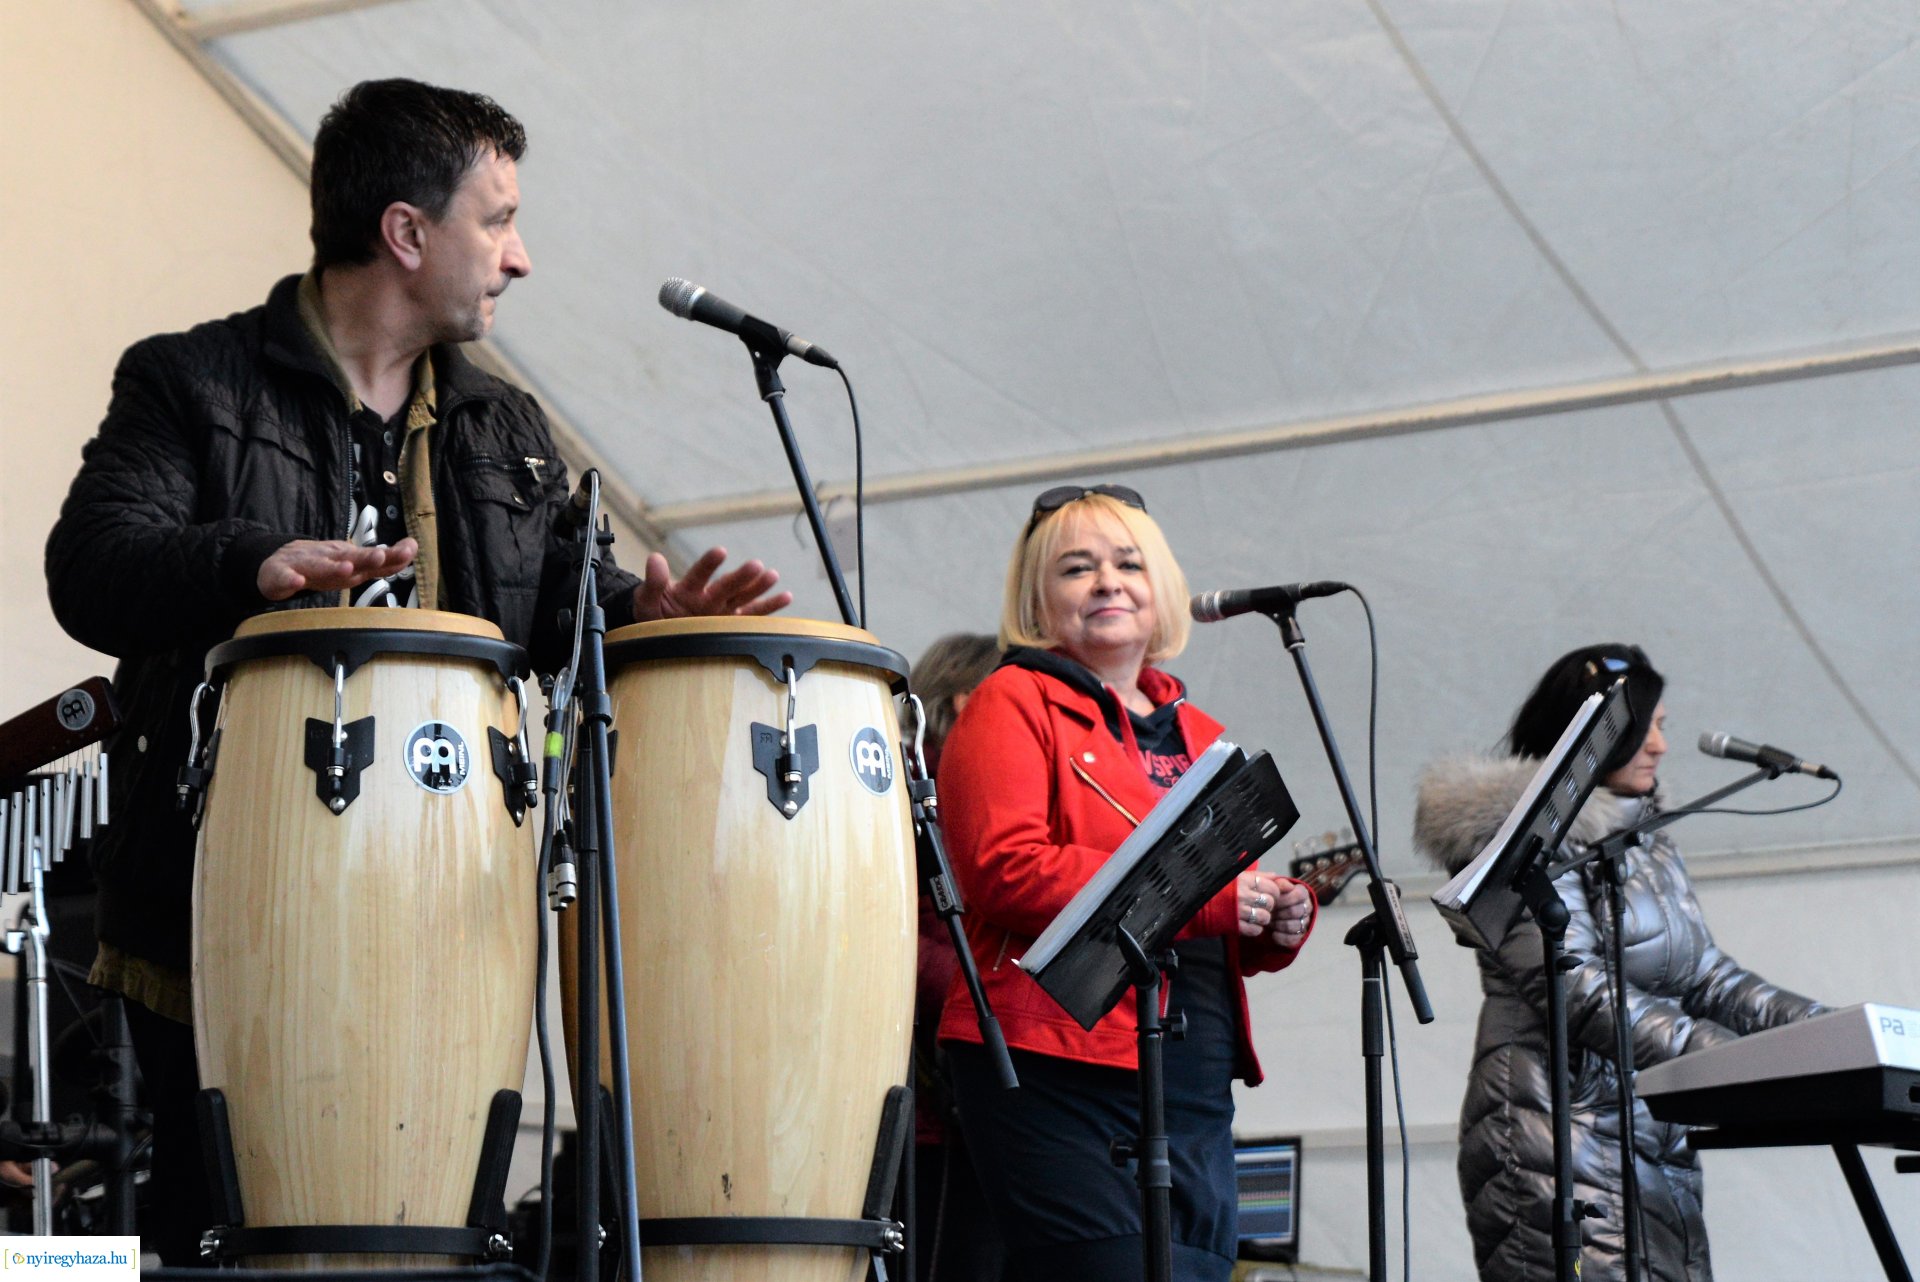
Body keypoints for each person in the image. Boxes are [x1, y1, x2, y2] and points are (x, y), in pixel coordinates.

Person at [42, 78, 788, 1262]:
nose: (521, 256)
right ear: (406, 231)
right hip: (223, 910)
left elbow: (558, 608)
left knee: (437, 1234)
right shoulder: (191, 383)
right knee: (224, 1232)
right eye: (496, 220)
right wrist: (257, 561)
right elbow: (90, 565)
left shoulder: (506, 426)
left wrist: (643, 612)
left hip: (451, 907)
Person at [934, 484, 1317, 1282]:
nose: (1107, 581)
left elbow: (1206, 907)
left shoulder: (1201, 732)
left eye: (1128, 563)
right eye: (1076, 568)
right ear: (1037, 600)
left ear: (1163, 588)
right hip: (1058, 1063)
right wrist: (1209, 899)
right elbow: (1004, 870)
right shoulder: (1012, 701)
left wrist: (1266, 920)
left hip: (1192, 1070)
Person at [1412, 643, 1824, 1282]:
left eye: (1664, 728)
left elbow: (1707, 975)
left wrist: (1825, 1031)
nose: (1661, 746)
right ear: (1594, 732)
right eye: (1648, 727)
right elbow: (1576, 988)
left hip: (1650, 1127)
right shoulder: (1518, 841)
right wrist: (1726, 1058)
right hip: (1552, 1132)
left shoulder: (1646, 838)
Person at [904, 631, 1005, 1282]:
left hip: (965, 1097)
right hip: (929, 1105)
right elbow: (888, 930)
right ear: (967, 698)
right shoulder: (912, 792)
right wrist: (987, 995)